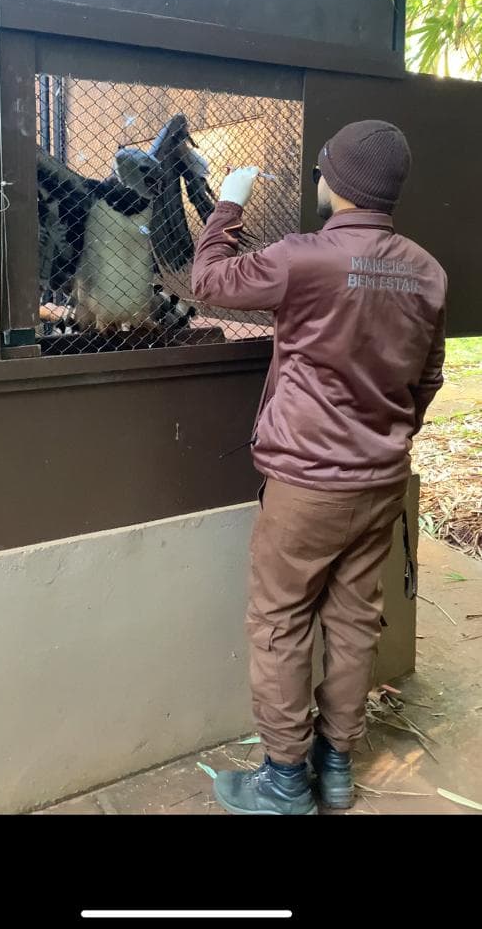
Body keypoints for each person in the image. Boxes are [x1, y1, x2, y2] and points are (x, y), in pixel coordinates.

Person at [191, 120, 447, 816]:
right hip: (378, 480)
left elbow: (209, 279)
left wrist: (228, 204)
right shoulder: (426, 270)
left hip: (306, 485)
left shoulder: (304, 257)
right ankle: (335, 766)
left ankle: (283, 781)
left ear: (336, 182)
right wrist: (385, 436)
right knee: (355, 618)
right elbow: (427, 377)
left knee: (279, 622)